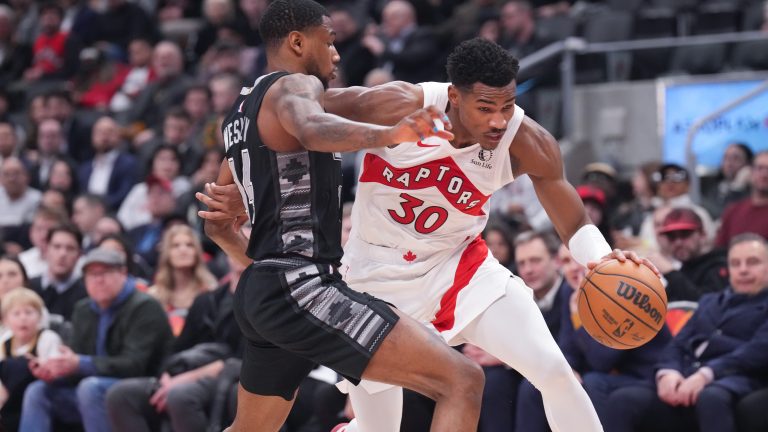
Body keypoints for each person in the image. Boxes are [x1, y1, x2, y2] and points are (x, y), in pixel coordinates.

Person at [200, 37, 658, 432]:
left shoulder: (526, 140)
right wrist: (243, 180)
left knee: (554, 371)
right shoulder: (398, 104)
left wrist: (602, 260)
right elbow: (283, 117)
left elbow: (573, 219)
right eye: (485, 108)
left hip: (460, 269)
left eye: (507, 105)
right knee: (378, 426)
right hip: (370, 280)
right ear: (454, 98)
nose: (499, 120)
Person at [199, 0, 485, 431]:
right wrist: (392, 133)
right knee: (462, 380)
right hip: (303, 286)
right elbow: (314, 129)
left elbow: (217, 225)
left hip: (263, 290)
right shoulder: (293, 87)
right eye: (329, 41)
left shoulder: (239, 114)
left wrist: (267, 272)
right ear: (298, 41)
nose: (335, 53)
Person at [604, 233, 768, 432]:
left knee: (711, 398)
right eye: (735, 263)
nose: (743, 270)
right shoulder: (709, 301)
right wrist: (668, 373)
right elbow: (677, 344)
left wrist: (705, 375)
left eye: (753, 262)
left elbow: (755, 352)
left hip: (735, 380)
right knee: (623, 400)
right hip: (685, 380)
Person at [19, 247, 173, 432]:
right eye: (92, 274)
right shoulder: (83, 310)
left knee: (90, 388)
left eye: (105, 272)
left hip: (143, 388)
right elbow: (75, 361)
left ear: (123, 273)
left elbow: (135, 365)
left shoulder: (145, 307)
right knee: (38, 391)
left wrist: (80, 364)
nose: (98, 280)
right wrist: (56, 371)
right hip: (92, 389)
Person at [0, 288, 62, 432]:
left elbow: (56, 372)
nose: (23, 318)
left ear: (40, 317)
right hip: (10, 400)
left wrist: (39, 366)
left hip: (40, 394)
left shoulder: (47, 338)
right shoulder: (3, 342)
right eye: (16, 314)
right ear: (5, 320)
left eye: (29, 312)